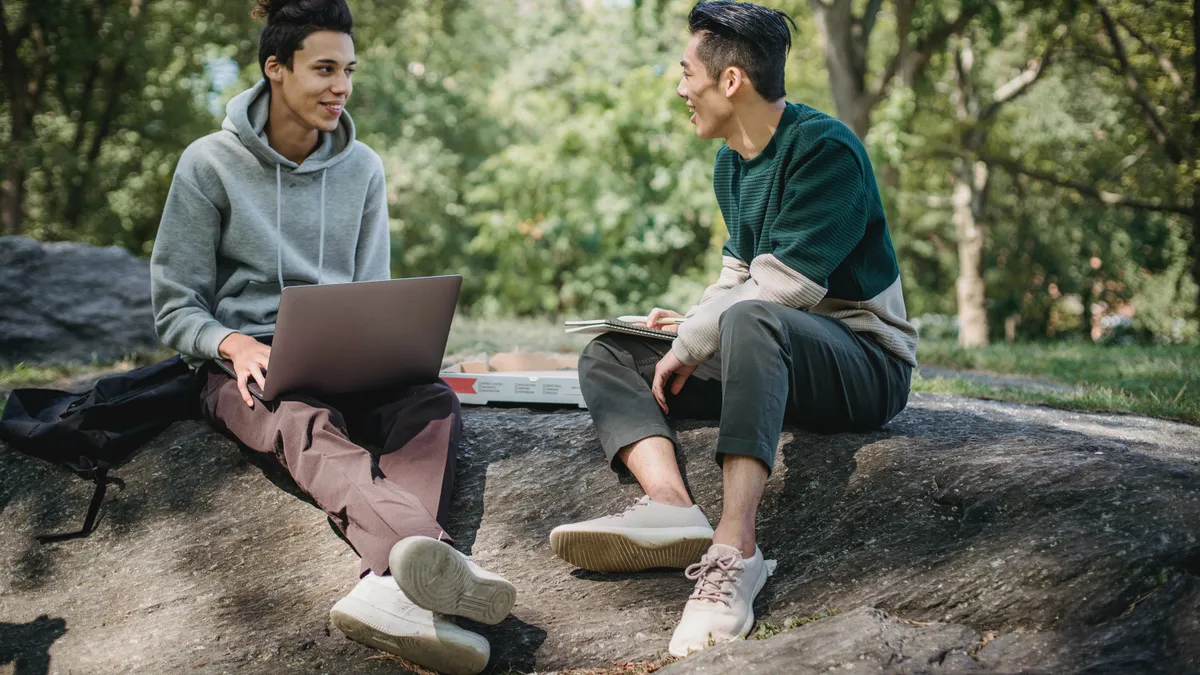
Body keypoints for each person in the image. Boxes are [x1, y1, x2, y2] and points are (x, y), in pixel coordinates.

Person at [149, 2, 511, 673]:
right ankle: (427, 557)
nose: (340, 86)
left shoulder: (362, 167)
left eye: (348, 70)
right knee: (305, 419)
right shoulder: (209, 165)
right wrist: (235, 345)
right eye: (323, 69)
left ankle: (388, 586)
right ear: (275, 69)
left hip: (341, 353)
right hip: (245, 368)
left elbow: (370, 293)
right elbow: (174, 308)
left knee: (429, 401)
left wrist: (386, 347)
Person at [549, 0, 918, 658]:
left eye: (686, 71)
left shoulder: (826, 149)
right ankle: (669, 504)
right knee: (613, 351)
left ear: (731, 81)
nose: (681, 87)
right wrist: (687, 324)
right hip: (772, 348)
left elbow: (785, 288)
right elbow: (737, 273)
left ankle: (734, 548)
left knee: (753, 318)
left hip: (865, 363)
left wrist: (698, 337)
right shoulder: (732, 162)